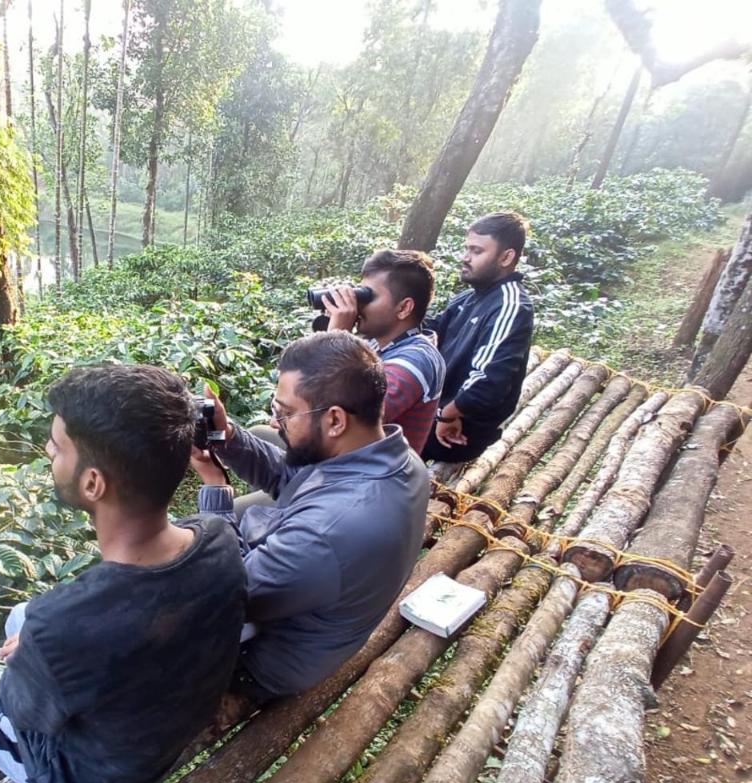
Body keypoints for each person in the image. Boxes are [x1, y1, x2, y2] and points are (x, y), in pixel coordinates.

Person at [0, 364, 247, 783]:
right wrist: (42, 651)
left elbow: (26, 715)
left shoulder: (61, 626)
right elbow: (216, 523)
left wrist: (35, 660)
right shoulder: (219, 540)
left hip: (92, 778)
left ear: (93, 482)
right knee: (24, 618)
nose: (48, 453)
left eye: (57, 448)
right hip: (166, 723)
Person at [191, 331, 428, 704]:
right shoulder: (392, 455)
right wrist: (228, 438)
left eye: (285, 413)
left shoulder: (330, 531)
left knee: (175, 581)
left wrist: (216, 487)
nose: (276, 420)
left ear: (335, 420)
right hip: (309, 590)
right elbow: (295, 481)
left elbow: (224, 593)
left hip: (263, 661)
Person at [422, 211, 535, 463]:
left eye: (476, 251)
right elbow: (431, 330)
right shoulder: (470, 296)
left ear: (506, 257)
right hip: (437, 410)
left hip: (457, 428)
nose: (465, 257)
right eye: (466, 249)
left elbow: (487, 382)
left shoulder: (510, 305)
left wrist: (447, 415)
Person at [320, 249, 447, 454]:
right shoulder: (377, 346)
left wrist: (336, 337)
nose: (358, 305)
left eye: (367, 296)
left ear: (404, 308)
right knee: (258, 436)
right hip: (343, 458)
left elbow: (339, 420)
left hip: (369, 477)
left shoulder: (417, 360)